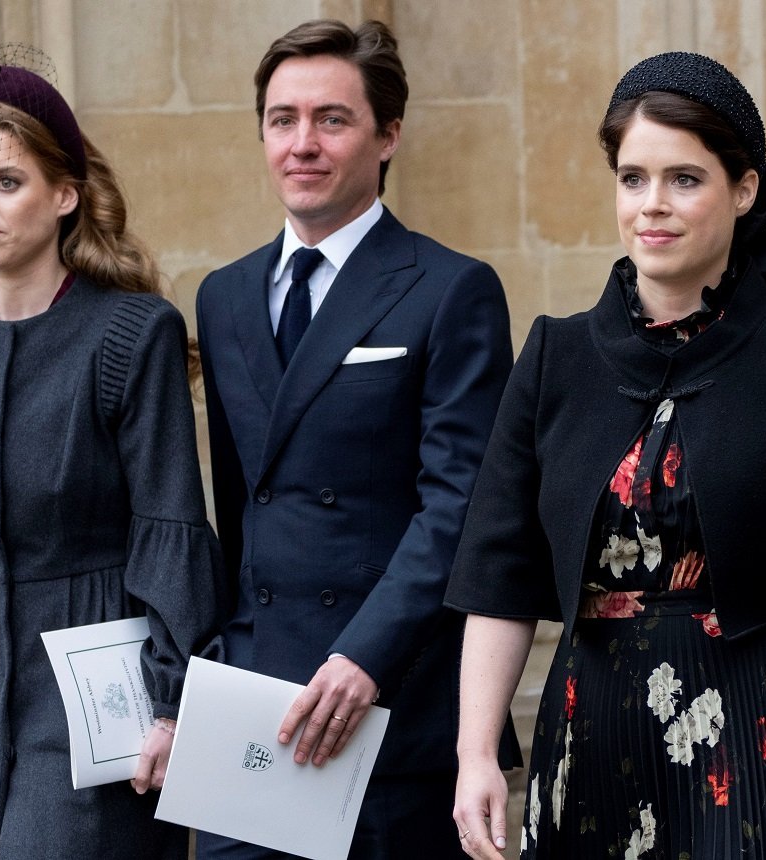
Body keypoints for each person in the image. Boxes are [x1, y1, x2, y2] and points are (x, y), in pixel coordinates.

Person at [447, 52, 766, 859]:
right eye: (633, 178)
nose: (652, 205)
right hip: (592, 744)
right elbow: (497, 573)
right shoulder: (554, 357)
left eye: (685, 179)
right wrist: (475, 751)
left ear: (745, 188)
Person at [0, 47, 225, 858]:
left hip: (95, 688)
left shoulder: (128, 335)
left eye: (8, 182)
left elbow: (169, 520)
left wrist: (176, 702)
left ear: (65, 194)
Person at [194, 19, 517, 860]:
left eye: (331, 119)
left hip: (393, 713)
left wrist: (363, 657)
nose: (302, 142)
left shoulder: (452, 289)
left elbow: (460, 506)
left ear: (388, 135)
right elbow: (241, 510)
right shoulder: (222, 298)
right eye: (281, 119)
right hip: (256, 714)